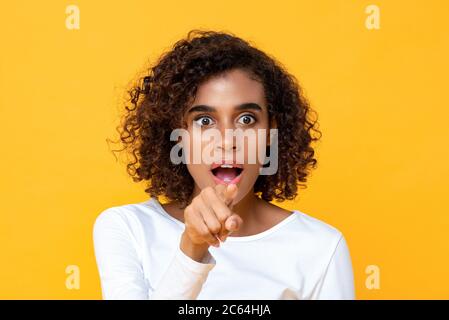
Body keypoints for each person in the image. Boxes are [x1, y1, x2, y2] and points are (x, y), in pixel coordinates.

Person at [93, 30, 355, 300]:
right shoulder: (127, 228)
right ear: (179, 137)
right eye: (205, 121)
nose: (228, 141)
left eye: (246, 120)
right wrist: (192, 249)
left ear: (270, 133)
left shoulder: (321, 247)